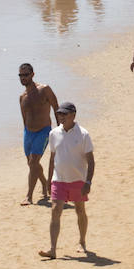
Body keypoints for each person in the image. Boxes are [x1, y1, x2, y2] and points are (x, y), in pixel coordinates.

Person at [39, 102, 94, 260]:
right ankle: (52, 249)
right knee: (55, 210)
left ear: (73, 115)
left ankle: (82, 242)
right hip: (59, 179)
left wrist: (88, 182)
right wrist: (49, 181)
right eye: (59, 114)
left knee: (80, 210)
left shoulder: (83, 134)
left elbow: (91, 161)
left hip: (78, 180)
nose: (60, 117)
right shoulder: (54, 133)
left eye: (64, 114)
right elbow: (52, 158)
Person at [19, 63, 60, 205]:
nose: (23, 78)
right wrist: (26, 133)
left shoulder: (44, 90)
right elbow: (24, 118)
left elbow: (56, 107)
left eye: (25, 75)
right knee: (32, 164)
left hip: (43, 131)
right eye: (20, 75)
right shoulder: (22, 97)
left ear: (32, 74)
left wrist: (60, 129)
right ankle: (44, 182)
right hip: (28, 133)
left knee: (33, 161)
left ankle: (29, 197)